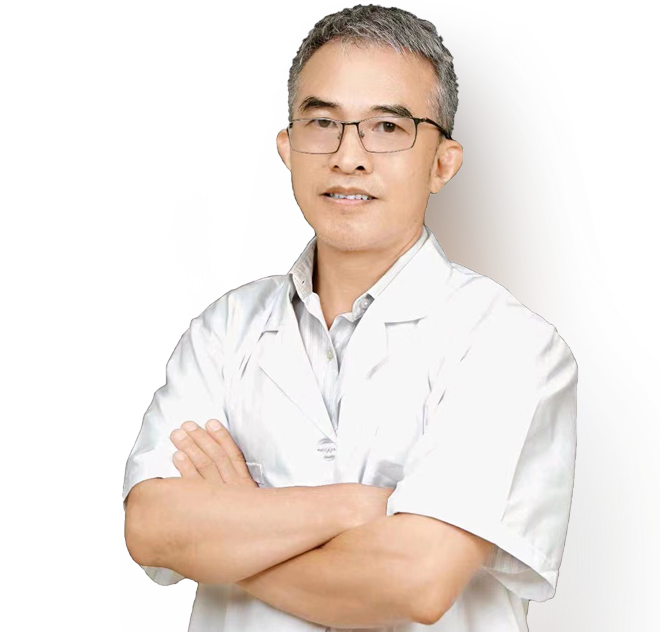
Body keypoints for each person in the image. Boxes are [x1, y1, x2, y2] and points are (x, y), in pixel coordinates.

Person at [121, 3, 578, 630]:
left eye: (387, 127)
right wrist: (356, 507)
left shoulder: (508, 343)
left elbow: (417, 580)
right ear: (287, 148)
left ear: (442, 162)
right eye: (322, 123)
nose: (349, 157)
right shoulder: (222, 332)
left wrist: (231, 532)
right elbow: (151, 527)